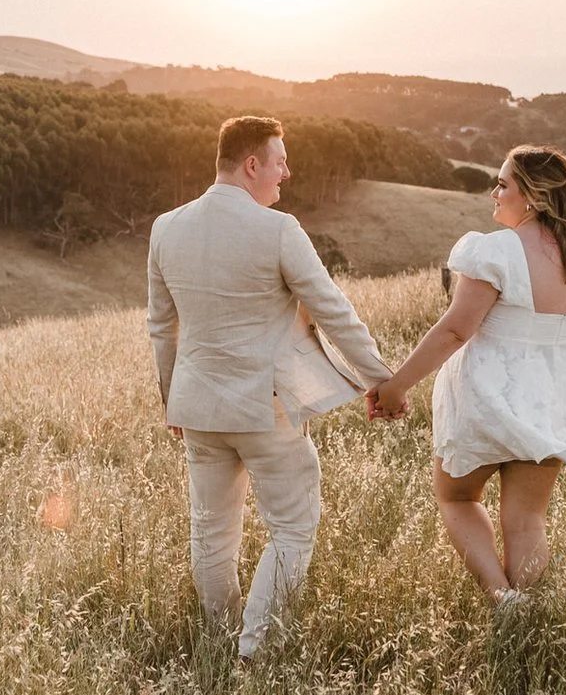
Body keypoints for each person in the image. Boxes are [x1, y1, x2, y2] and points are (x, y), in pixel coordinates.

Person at [366, 145, 566, 607]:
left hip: (486, 396)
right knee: (527, 520)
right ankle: (525, 610)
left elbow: (458, 328)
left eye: (503, 184)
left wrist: (397, 384)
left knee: (458, 498)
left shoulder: (496, 250)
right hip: (552, 401)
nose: (494, 191)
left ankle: (500, 597)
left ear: (535, 197)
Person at [147, 115, 393, 659]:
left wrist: (172, 400)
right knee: (293, 526)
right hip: (266, 408)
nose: (287, 172)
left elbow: (162, 327)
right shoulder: (278, 229)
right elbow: (334, 311)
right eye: (279, 161)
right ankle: (253, 652)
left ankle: (220, 639)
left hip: (198, 408)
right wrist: (381, 379)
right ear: (251, 164)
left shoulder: (166, 227)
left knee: (211, 533)